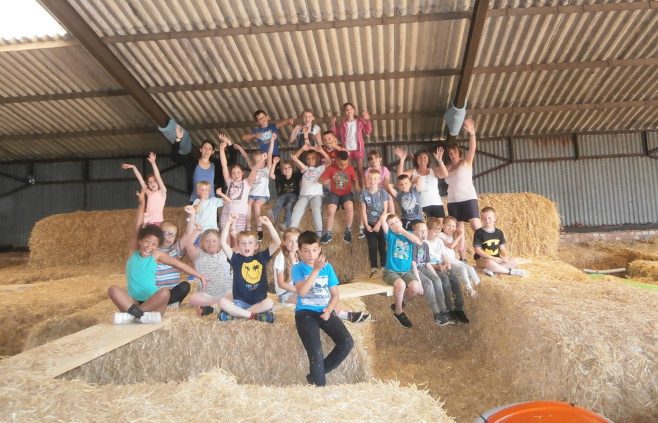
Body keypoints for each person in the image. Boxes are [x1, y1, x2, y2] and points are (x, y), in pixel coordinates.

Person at [109, 191, 207, 324]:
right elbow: (137, 227)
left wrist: (200, 275)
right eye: (147, 241)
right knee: (113, 290)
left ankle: (132, 315)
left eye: (154, 244)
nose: (150, 246)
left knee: (165, 293)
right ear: (140, 241)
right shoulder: (133, 252)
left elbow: (179, 265)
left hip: (154, 302)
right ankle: (141, 315)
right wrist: (142, 203)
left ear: (157, 246)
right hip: (134, 302)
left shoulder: (157, 255)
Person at [292, 231, 355, 386]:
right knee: (316, 353)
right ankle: (319, 389)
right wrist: (315, 270)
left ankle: (315, 376)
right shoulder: (297, 269)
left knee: (347, 342)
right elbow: (302, 291)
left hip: (324, 311)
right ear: (299, 252)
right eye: (306, 251)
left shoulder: (328, 268)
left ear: (319, 249)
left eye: (314, 250)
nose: (310, 254)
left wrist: (328, 310)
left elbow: (335, 295)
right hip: (305, 313)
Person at [274, 228, 371, 321]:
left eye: (296, 241)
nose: (293, 244)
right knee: (318, 299)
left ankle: (349, 312)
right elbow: (281, 284)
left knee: (324, 294)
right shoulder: (281, 257)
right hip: (286, 295)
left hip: (300, 289)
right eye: (290, 241)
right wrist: (298, 289)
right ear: (284, 242)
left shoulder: (299, 256)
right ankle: (344, 315)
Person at [217, 214, 281, 322]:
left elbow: (277, 242)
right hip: (240, 303)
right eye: (243, 243)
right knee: (222, 302)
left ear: (256, 246)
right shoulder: (236, 258)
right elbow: (223, 243)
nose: (246, 246)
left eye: (250, 243)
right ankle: (253, 316)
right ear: (238, 246)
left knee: (269, 302)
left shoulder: (261, 257)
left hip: (258, 302)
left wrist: (269, 224)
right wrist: (228, 222)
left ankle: (236, 316)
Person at [181, 206, 233, 316]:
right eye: (207, 241)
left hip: (227, 293)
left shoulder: (225, 252)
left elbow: (235, 245)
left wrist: (231, 227)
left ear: (219, 243)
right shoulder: (198, 254)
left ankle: (213, 308)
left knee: (237, 293)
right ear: (202, 243)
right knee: (193, 298)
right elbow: (188, 245)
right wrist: (197, 231)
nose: (211, 243)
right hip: (207, 296)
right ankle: (218, 306)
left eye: (214, 241)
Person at [435, 118, 483, 237]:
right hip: (453, 201)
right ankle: (460, 255)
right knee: (457, 229)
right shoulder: (447, 167)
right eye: (450, 154)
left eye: (454, 152)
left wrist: (472, 133)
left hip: (468, 198)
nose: (453, 155)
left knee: (475, 225)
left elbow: (472, 149)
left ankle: (487, 248)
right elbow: (440, 174)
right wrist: (440, 161)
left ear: (459, 152)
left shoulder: (466, 162)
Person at [170, 125, 237, 202]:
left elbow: (232, 160)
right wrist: (178, 139)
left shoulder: (216, 164)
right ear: (200, 149)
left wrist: (229, 143)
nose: (207, 150)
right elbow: (174, 157)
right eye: (205, 148)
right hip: (195, 200)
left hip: (211, 201)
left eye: (209, 149)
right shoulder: (192, 162)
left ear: (212, 152)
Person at [380, 212, 423, 328]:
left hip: (406, 271)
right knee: (401, 285)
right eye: (391, 224)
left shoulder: (408, 234)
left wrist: (402, 231)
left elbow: (418, 241)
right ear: (389, 227)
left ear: (401, 222)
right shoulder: (389, 235)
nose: (395, 225)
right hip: (391, 271)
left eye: (397, 222)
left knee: (414, 287)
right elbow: (382, 219)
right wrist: (388, 214)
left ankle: (400, 302)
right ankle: (398, 312)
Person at [410, 221, 455, 326]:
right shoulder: (412, 245)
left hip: (423, 268)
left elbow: (427, 263)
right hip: (414, 270)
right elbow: (413, 265)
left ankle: (443, 309)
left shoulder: (425, 245)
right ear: (413, 232)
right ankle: (436, 314)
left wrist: (435, 275)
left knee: (437, 280)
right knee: (429, 283)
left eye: (425, 230)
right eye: (421, 231)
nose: (423, 233)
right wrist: (419, 283)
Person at [217, 134, 259, 246]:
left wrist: (261, 161)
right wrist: (221, 149)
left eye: (238, 172)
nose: (236, 175)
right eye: (233, 173)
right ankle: (227, 262)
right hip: (226, 213)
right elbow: (224, 165)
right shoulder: (229, 182)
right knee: (226, 239)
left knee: (236, 239)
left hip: (240, 214)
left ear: (243, 173)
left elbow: (254, 170)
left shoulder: (247, 183)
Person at [319, 150, 360, 245]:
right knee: (330, 210)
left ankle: (348, 231)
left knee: (350, 207)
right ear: (336, 160)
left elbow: (355, 178)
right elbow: (320, 179)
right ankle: (328, 233)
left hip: (347, 193)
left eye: (345, 164)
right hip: (334, 194)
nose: (343, 167)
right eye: (341, 165)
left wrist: (357, 185)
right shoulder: (331, 168)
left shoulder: (350, 168)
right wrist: (324, 182)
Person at [474, 207, 528, 277]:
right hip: (483, 260)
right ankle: (510, 271)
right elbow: (477, 250)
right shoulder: (479, 232)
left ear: (495, 218)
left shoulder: (499, 232)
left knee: (514, 262)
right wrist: (491, 258)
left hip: (497, 260)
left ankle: (492, 270)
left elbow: (502, 248)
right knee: (490, 263)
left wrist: (505, 256)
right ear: (481, 219)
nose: (487, 221)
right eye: (484, 218)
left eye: (489, 218)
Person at [394, 147, 445, 220]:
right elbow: (400, 176)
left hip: (437, 204)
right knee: (424, 229)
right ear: (416, 160)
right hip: (421, 206)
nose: (423, 159)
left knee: (439, 228)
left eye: (425, 157)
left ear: (428, 159)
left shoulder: (433, 170)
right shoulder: (413, 171)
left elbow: (445, 174)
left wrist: (440, 161)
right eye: (420, 158)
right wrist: (402, 159)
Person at [290, 145, 330, 235]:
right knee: (297, 209)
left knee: (316, 209)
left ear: (317, 160)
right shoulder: (304, 169)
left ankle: (319, 232)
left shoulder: (320, 169)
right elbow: (294, 158)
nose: (310, 160)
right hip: (304, 195)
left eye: (313, 158)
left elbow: (330, 162)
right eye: (308, 159)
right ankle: (292, 230)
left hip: (316, 195)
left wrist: (322, 151)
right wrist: (302, 148)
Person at [436, 216, 480, 295]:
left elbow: (460, 247)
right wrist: (459, 236)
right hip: (446, 261)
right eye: (448, 225)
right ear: (443, 226)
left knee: (470, 268)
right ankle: (469, 289)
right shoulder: (440, 235)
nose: (451, 228)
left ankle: (479, 285)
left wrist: (462, 235)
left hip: (453, 259)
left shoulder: (451, 237)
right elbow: (451, 246)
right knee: (463, 268)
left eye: (453, 226)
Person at [331, 102, 372, 183]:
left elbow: (368, 131)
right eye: (346, 110)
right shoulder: (343, 124)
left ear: (354, 110)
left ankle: (362, 190)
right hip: (347, 150)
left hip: (358, 149)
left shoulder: (360, 122)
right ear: (344, 112)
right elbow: (336, 134)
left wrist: (367, 120)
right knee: (348, 170)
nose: (348, 111)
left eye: (350, 109)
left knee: (360, 171)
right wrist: (333, 125)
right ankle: (350, 190)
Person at [154, 220, 193, 306]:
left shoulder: (176, 249)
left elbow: (187, 234)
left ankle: (170, 302)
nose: (169, 237)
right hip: (157, 292)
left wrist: (192, 216)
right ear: (158, 234)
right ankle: (167, 303)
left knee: (185, 286)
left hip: (173, 291)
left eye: (172, 234)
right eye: (165, 233)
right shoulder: (153, 250)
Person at [121, 152, 167, 225]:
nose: (152, 184)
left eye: (154, 182)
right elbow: (141, 180)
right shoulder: (149, 193)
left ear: (158, 182)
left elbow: (158, 176)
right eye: (150, 182)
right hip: (147, 221)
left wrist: (153, 163)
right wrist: (133, 167)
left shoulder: (162, 192)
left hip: (157, 222)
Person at [360, 168, 389, 277]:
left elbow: (385, 210)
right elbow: (363, 210)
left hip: (381, 223)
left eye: (375, 178)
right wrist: (366, 224)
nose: (372, 180)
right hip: (370, 224)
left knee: (382, 245)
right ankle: (373, 267)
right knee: (372, 245)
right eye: (370, 178)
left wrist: (379, 224)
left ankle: (384, 266)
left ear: (379, 180)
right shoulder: (364, 193)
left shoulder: (383, 193)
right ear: (367, 179)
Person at [269, 157, 301, 230]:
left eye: (289, 168)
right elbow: (271, 175)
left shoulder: (296, 175)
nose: (287, 170)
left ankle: (286, 224)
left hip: (293, 196)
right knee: (278, 202)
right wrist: (274, 163)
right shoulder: (280, 176)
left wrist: (295, 160)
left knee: (289, 206)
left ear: (292, 168)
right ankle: (272, 218)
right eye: (284, 168)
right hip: (283, 196)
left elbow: (303, 170)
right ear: (282, 170)